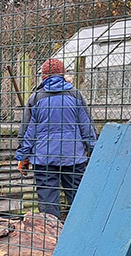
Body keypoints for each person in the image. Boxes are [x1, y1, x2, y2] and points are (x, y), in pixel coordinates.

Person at [16, 58, 97, 220]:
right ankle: (81, 234)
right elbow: (87, 127)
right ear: (64, 74)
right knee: (78, 198)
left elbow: (27, 131)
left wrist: (23, 156)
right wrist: (94, 151)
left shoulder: (36, 98)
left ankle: (51, 238)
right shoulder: (75, 95)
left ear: (44, 77)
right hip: (73, 156)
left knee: (48, 203)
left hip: (44, 158)